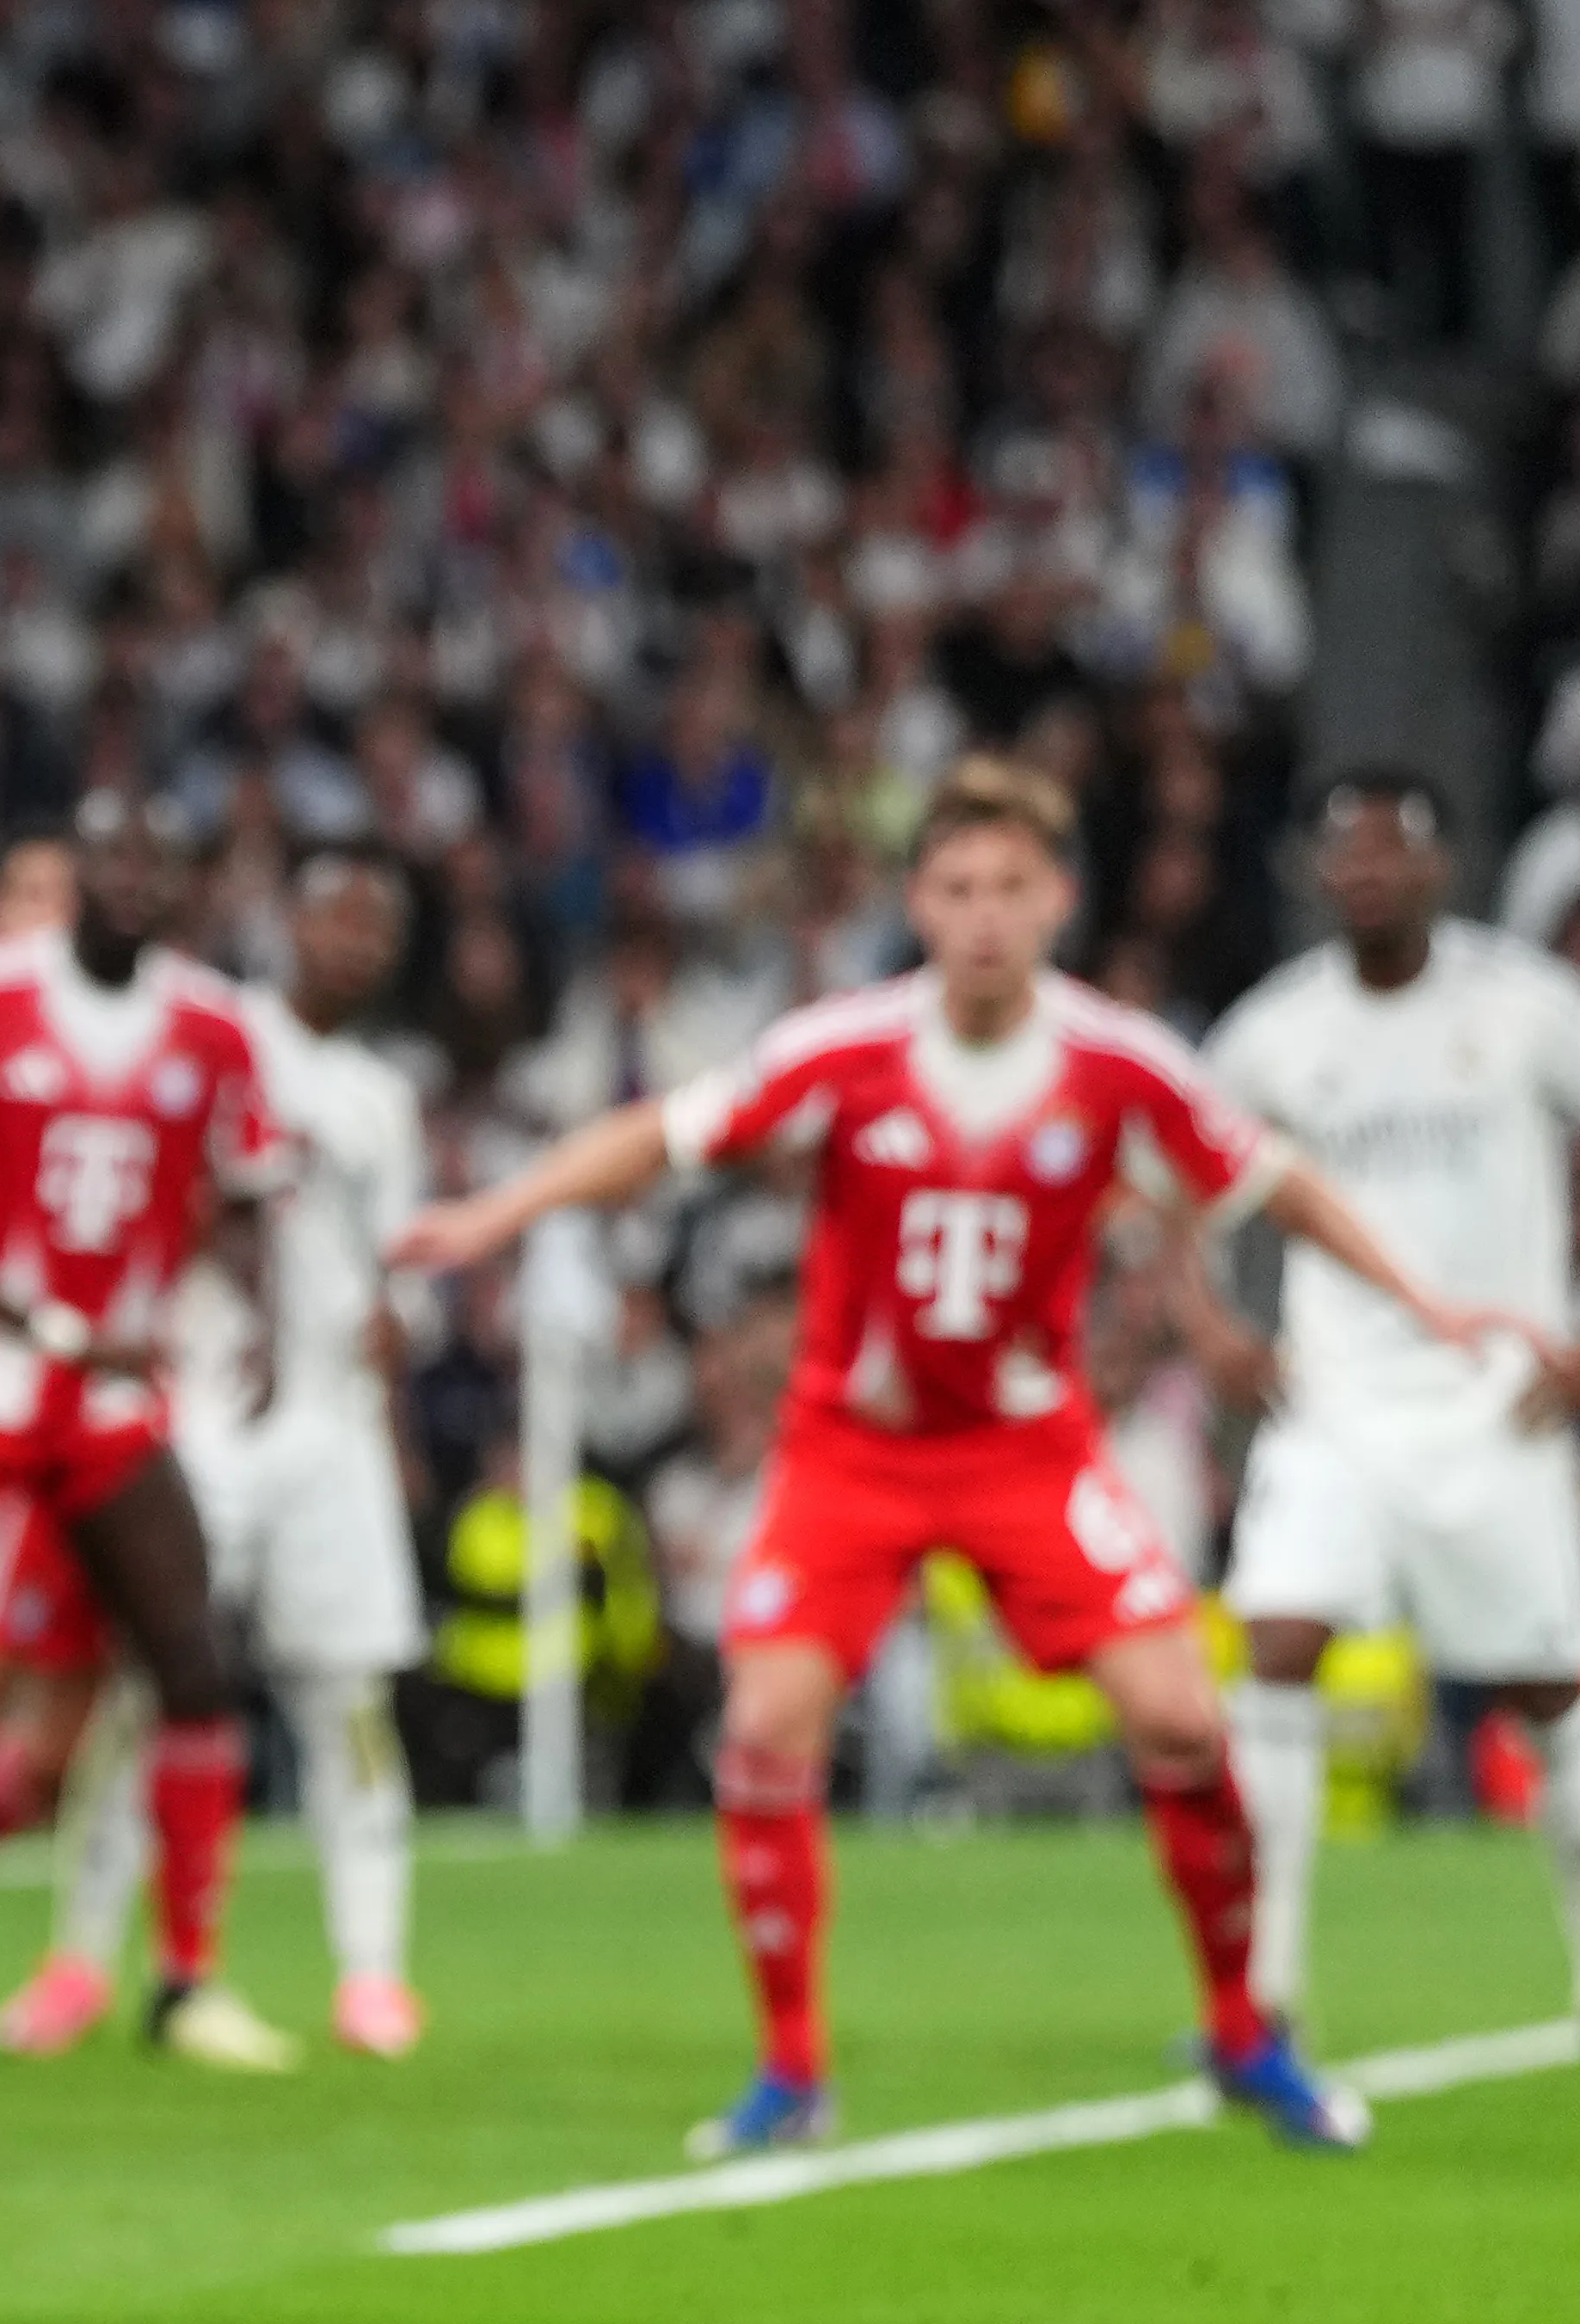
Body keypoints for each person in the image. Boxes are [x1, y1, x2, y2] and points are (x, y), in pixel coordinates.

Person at [398, 758, 1505, 2165]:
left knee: (1178, 1717)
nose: (983, 916)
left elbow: (1272, 1178)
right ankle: (789, 2070)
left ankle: (1243, 2031)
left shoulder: (1117, 1060)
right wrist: (493, 1214)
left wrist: (1423, 1299)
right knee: (763, 1729)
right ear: (916, 900)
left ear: (1056, 899)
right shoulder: (841, 1047)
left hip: (1024, 1447)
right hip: (850, 1449)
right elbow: (663, 1135)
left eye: (1011, 889)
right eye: (957, 888)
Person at [1183, 770, 1580, 2068]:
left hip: (1493, 1407)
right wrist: (1209, 1330)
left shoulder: (1519, 1004)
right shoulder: (1271, 1032)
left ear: (1436, 869)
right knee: (1275, 1644)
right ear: (1312, 874)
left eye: (1386, 848)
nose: (1360, 870)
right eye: (1339, 850)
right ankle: (1264, 1997)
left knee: (1545, 1687)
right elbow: (1161, 1171)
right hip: (1332, 1401)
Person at [0, 795, 310, 2070]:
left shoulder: (214, 1028)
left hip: (112, 1390)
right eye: (105, 859)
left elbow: (250, 1193)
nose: (129, 882)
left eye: (156, 864)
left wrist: (254, 1324)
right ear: (66, 875)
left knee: (187, 1659)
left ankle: (185, 1978)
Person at [0, 844, 447, 2062]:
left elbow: (400, 1259)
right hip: (192, 1401)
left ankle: (370, 1974)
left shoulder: (377, 1098)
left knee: (345, 1696)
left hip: (329, 1423)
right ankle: (80, 1961)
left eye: (376, 926)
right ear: (283, 920)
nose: (352, 941)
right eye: (333, 913)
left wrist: (402, 1333)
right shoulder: (202, 1031)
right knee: (154, 1689)